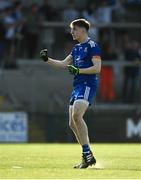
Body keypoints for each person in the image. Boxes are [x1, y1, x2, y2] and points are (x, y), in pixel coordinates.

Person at [40, 19, 101, 169]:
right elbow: (62, 64)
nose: (72, 32)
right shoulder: (76, 48)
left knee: (76, 116)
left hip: (87, 85)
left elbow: (97, 68)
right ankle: (87, 155)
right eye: (72, 29)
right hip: (77, 86)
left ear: (82, 30)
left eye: (74, 29)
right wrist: (47, 60)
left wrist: (78, 70)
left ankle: (87, 155)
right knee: (71, 123)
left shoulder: (92, 46)